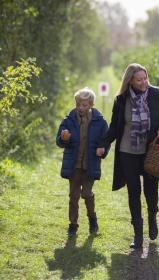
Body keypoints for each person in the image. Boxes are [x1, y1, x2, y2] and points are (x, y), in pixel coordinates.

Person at [97, 63, 159, 249]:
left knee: (151, 191)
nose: (143, 82)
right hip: (128, 151)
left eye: (145, 78)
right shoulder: (121, 99)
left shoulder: (157, 94)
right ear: (130, 80)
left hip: (150, 151)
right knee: (133, 192)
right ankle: (138, 234)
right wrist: (103, 145)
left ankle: (152, 215)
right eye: (139, 79)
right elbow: (115, 126)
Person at [56, 87, 109, 237]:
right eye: (79, 104)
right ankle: (73, 224)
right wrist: (63, 138)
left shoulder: (100, 122)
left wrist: (102, 149)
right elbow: (59, 141)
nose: (81, 107)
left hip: (89, 165)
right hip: (74, 165)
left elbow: (105, 140)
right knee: (73, 196)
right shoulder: (68, 120)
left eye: (84, 105)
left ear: (91, 104)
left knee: (86, 193)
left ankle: (92, 218)